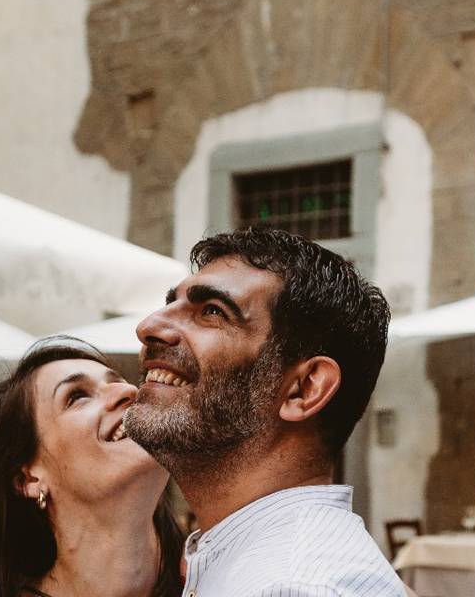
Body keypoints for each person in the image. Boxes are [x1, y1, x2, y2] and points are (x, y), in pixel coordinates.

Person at [125, 227, 406, 596]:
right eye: (169, 304)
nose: (148, 327)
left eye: (212, 311)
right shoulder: (249, 560)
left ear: (303, 390)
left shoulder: (295, 586)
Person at [0, 339, 185, 597]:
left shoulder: (225, 576)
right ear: (28, 479)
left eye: (119, 380)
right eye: (77, 397)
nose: (128, 391)